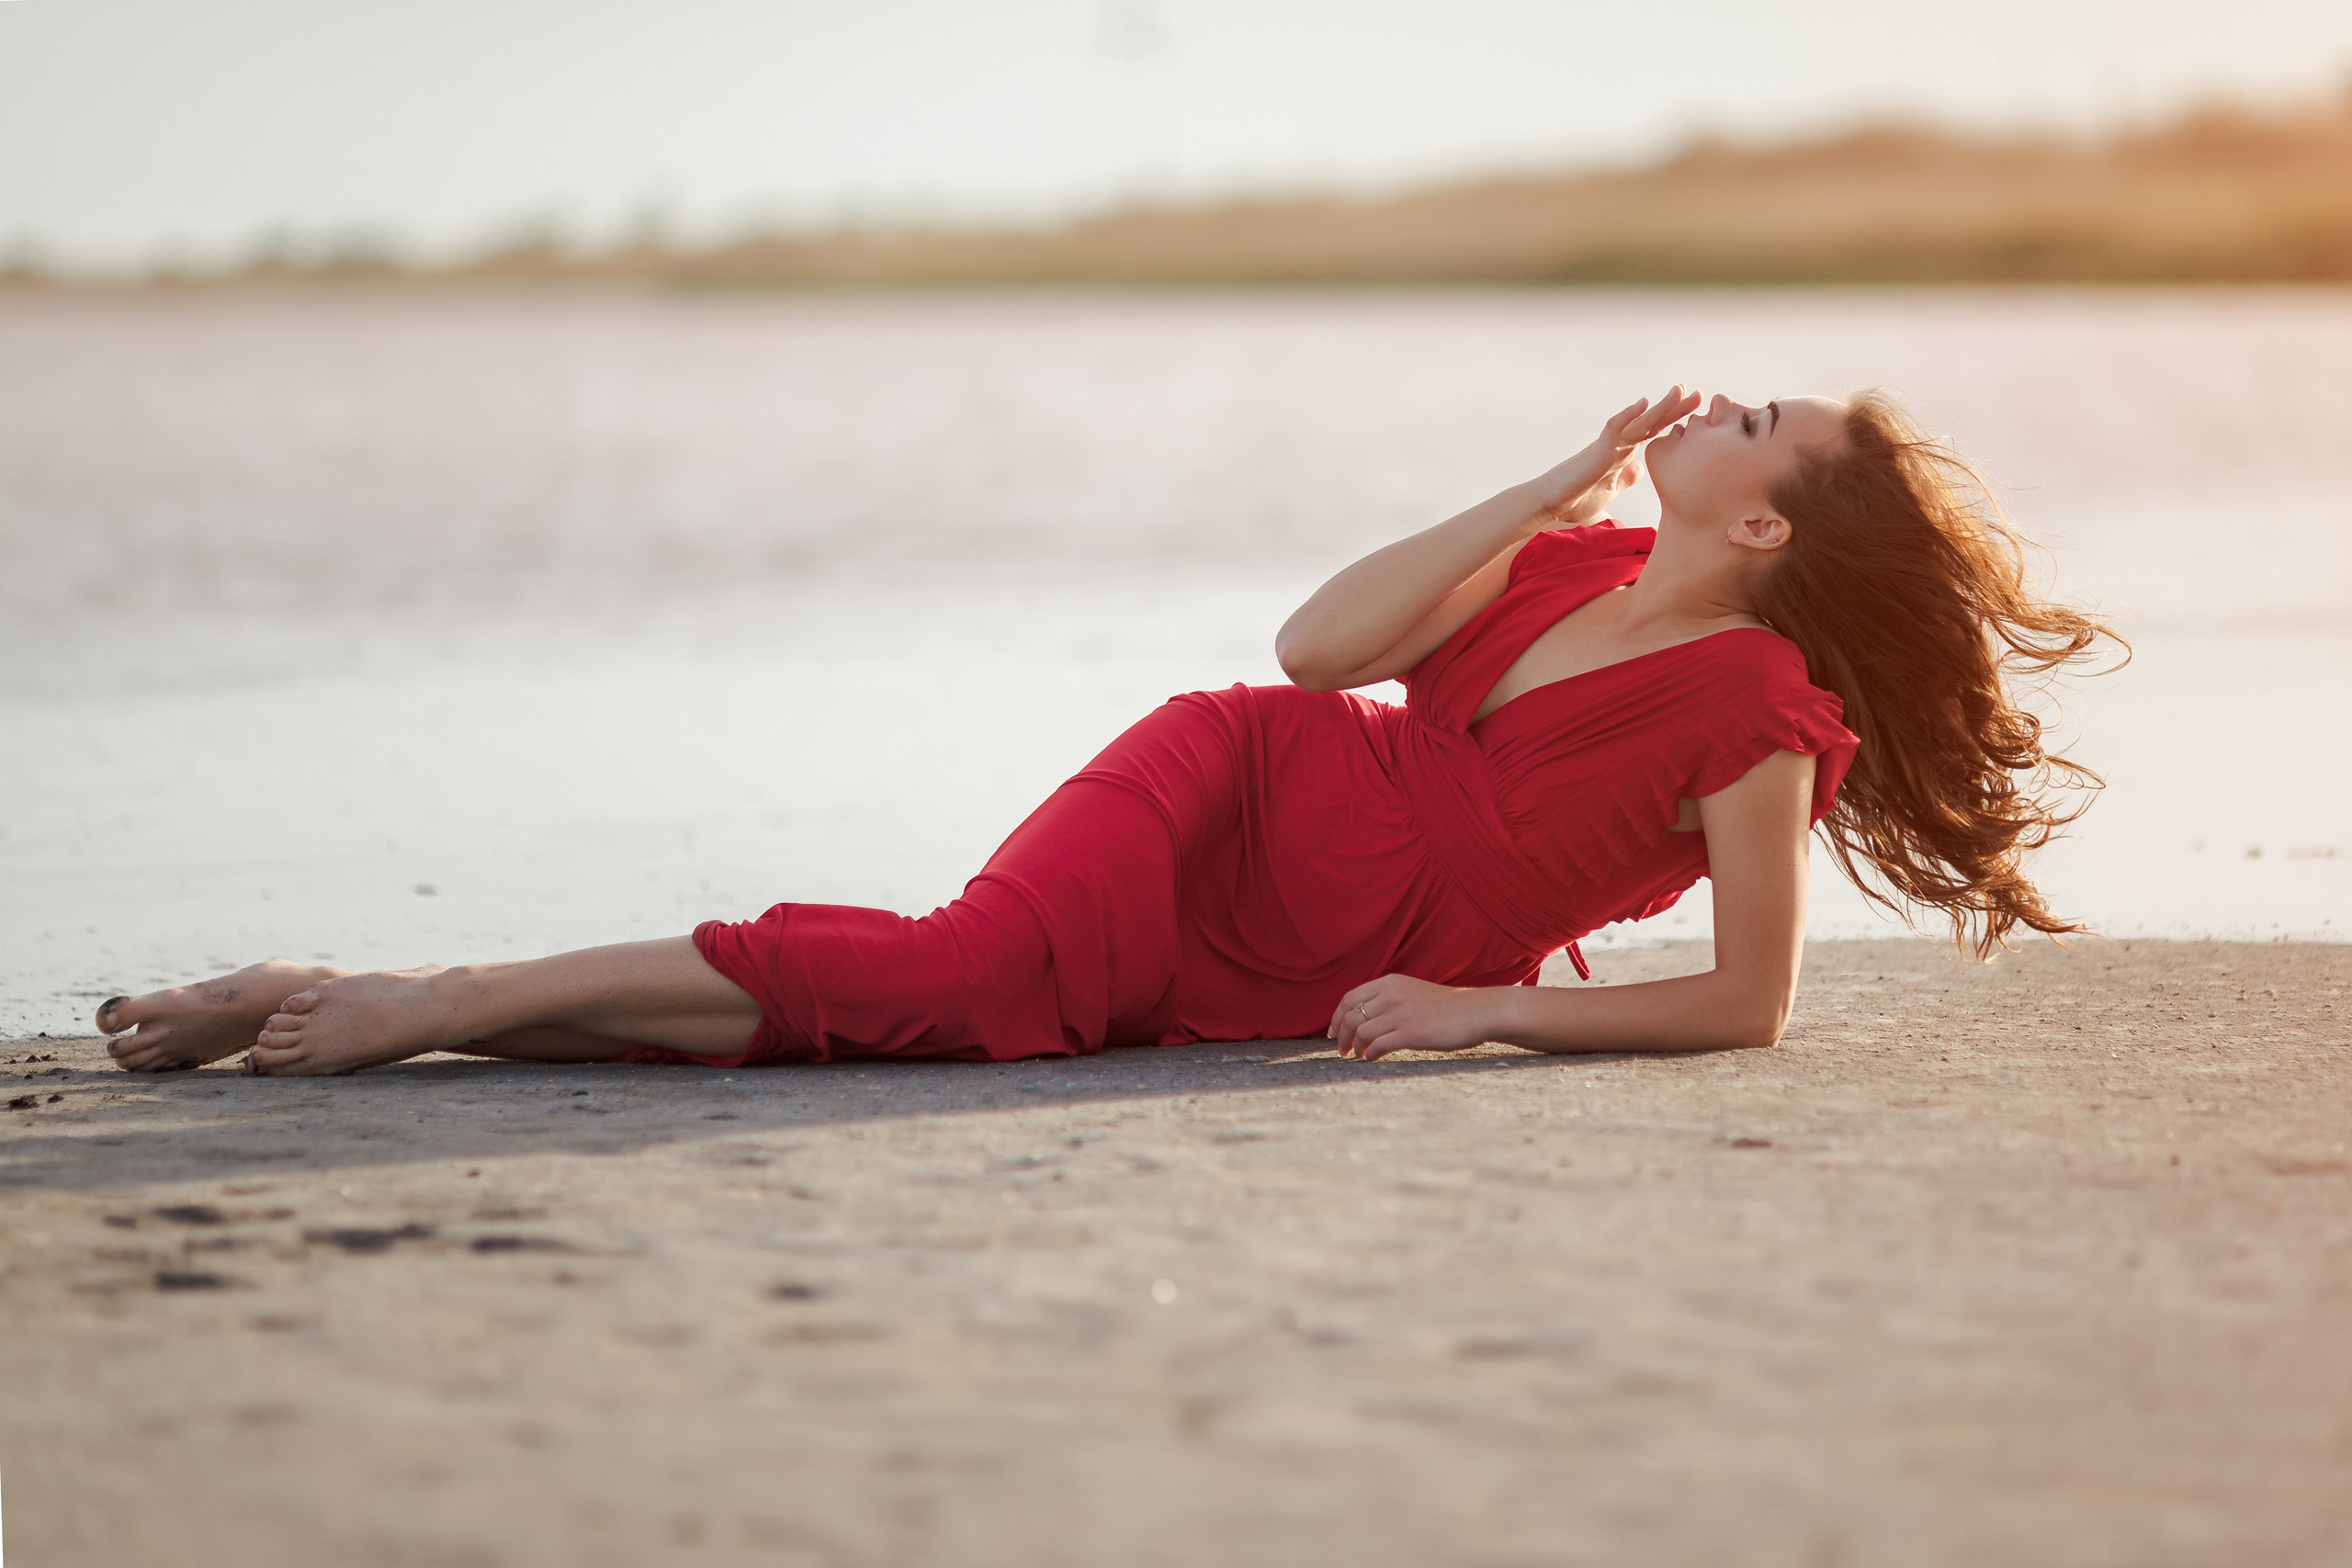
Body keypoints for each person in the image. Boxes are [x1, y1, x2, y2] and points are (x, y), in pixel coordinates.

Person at [96, 385, 2109, 1077]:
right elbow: (1312, 651)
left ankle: (337, 988)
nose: (1716, 409)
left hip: (1324, 953)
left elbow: (1744, 1007)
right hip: (1231, 781)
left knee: (917, 1001)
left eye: (1756, 431)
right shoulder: (1564, 563)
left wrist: (1487, 1009)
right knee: (953, 973)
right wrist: (1545, 476)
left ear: (1764, 525)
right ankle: (429, 999)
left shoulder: (1759, 709)